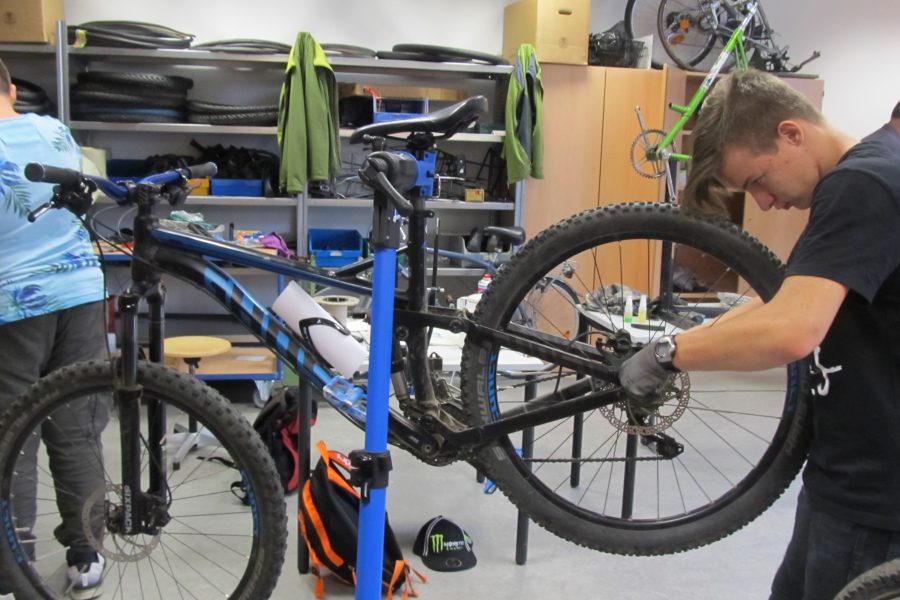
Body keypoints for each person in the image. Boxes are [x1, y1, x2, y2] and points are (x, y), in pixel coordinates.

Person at [619, 69, 900, 600]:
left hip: (877, 496)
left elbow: (792, 331)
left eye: (757, 182)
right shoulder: (869, 174)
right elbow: (779, 302)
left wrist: (670, 353)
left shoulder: (861, 183)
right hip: (845, 476)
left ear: (791, 134)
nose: (765, 204)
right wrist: (686, 338)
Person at [0, 58, 108, 599]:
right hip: (82, 291)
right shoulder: (53, 129)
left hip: (13, 306)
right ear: (13, 89)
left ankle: (12, 573)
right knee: (77, 425)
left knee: (11, 438)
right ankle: (87, 556)